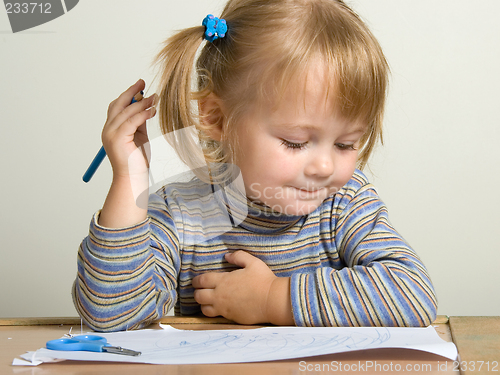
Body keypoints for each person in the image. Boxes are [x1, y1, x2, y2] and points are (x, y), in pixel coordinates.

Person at [73, 0, 437, 332]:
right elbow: (112, 314)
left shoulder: (344, 205)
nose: (326, 165)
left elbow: (412, 294)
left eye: (346, 144)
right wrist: (130, 177)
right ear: (216, 118)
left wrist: (273, 299)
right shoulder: (181, 213)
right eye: (295, 142)